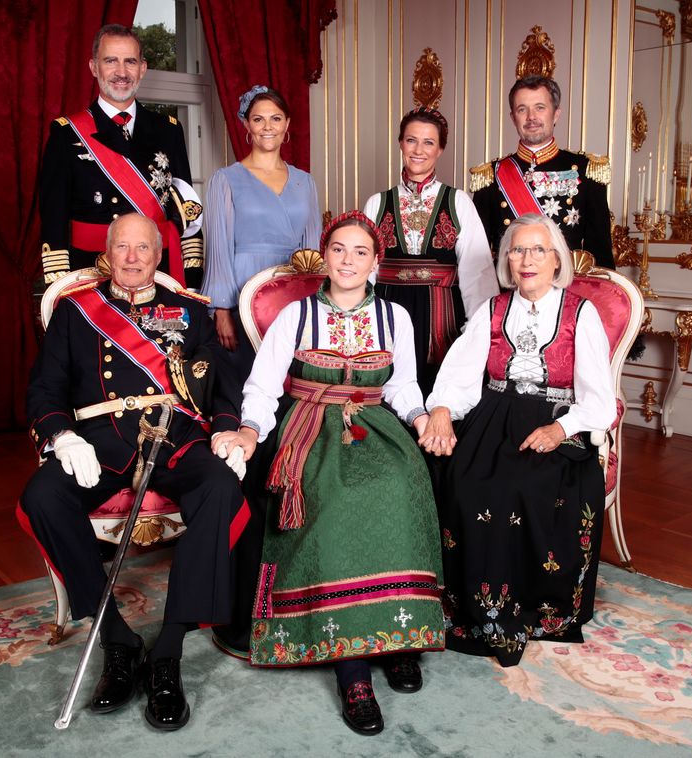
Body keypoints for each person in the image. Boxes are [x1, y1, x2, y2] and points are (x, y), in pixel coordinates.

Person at [215, 212, 445, 736]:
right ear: (325, 255)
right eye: (339, 250)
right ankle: (354, 670)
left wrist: (421, 417)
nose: (348, 261)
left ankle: (398, 637)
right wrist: (251, 430)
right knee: (337, 499)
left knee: (401, 485)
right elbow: (263, 386)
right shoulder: (296, 315)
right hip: (308, 429)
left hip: (375, 425)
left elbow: (403, 388)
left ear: (376, 261)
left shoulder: (395, 318)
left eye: (360, 252)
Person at [18, 213, 249, 731]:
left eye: (142, 248)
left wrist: (228, 429)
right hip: (97, 445)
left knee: (220, 487)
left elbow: (223, 383)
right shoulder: (77, 312)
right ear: (107, 251)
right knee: (42, 497)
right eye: (121, 247)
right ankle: (115, 637)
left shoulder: (190, 311)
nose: (131, 257)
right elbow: (44, 388)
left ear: (158, 254)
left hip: (174, 438)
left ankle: (168, 648)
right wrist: (61, 435)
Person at [420, 212, 615, 667]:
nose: (526, 260)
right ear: (507, 259)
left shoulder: (580, 313)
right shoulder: (492, 309)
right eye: (517, 250)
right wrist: (444, 411)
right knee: (462, 482)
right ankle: (469, 605)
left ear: (555, 260)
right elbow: (460, 378)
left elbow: (600, 400)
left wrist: (560, 429)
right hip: (492, 416)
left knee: (520, 490)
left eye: (537, 250)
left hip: (553, 420)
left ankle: (527, 607)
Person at [39, 24, 204, 288]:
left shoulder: (168, 129)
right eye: (111, 61)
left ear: (142, 68)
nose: (121, 72)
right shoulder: (66, 133)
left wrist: (192, 276)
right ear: (94, 67)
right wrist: (60, 285)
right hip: (93, 273)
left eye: (130, 61)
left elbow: (186, 209)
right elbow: (53, 219)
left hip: (158, 272)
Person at [363, 107, 499, 397]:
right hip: (389, 307)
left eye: (428, 142)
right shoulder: (377, 203)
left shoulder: (459, 201)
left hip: (442, 313)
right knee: (388, 389)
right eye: (411, 140)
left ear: (440, 149)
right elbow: (366, 272)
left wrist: (478, 332)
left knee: (437, 393)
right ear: (400, 143)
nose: (418, 150)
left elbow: (477, 274)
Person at [201, 85, 322, 384]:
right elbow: (218, 249)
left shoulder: (305, 182)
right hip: (243, 298)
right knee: (249, 381)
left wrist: (318, 305)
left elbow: (313, 251)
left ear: (287, 124)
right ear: (246, 125)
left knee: (295, 381)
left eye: (276, 118)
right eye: (259, 119)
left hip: (295, 298)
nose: (268, 127)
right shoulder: (225, 180)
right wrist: (222, 309)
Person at [469, 76, 615, 269]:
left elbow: (600, 254)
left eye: (540, 107)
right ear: (513, 117)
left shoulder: (586, 170)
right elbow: (477, 259)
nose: (531, 117)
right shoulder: (491, 175)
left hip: (566, 291)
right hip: (508, 291)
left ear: (556, 114)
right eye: (522, 109)